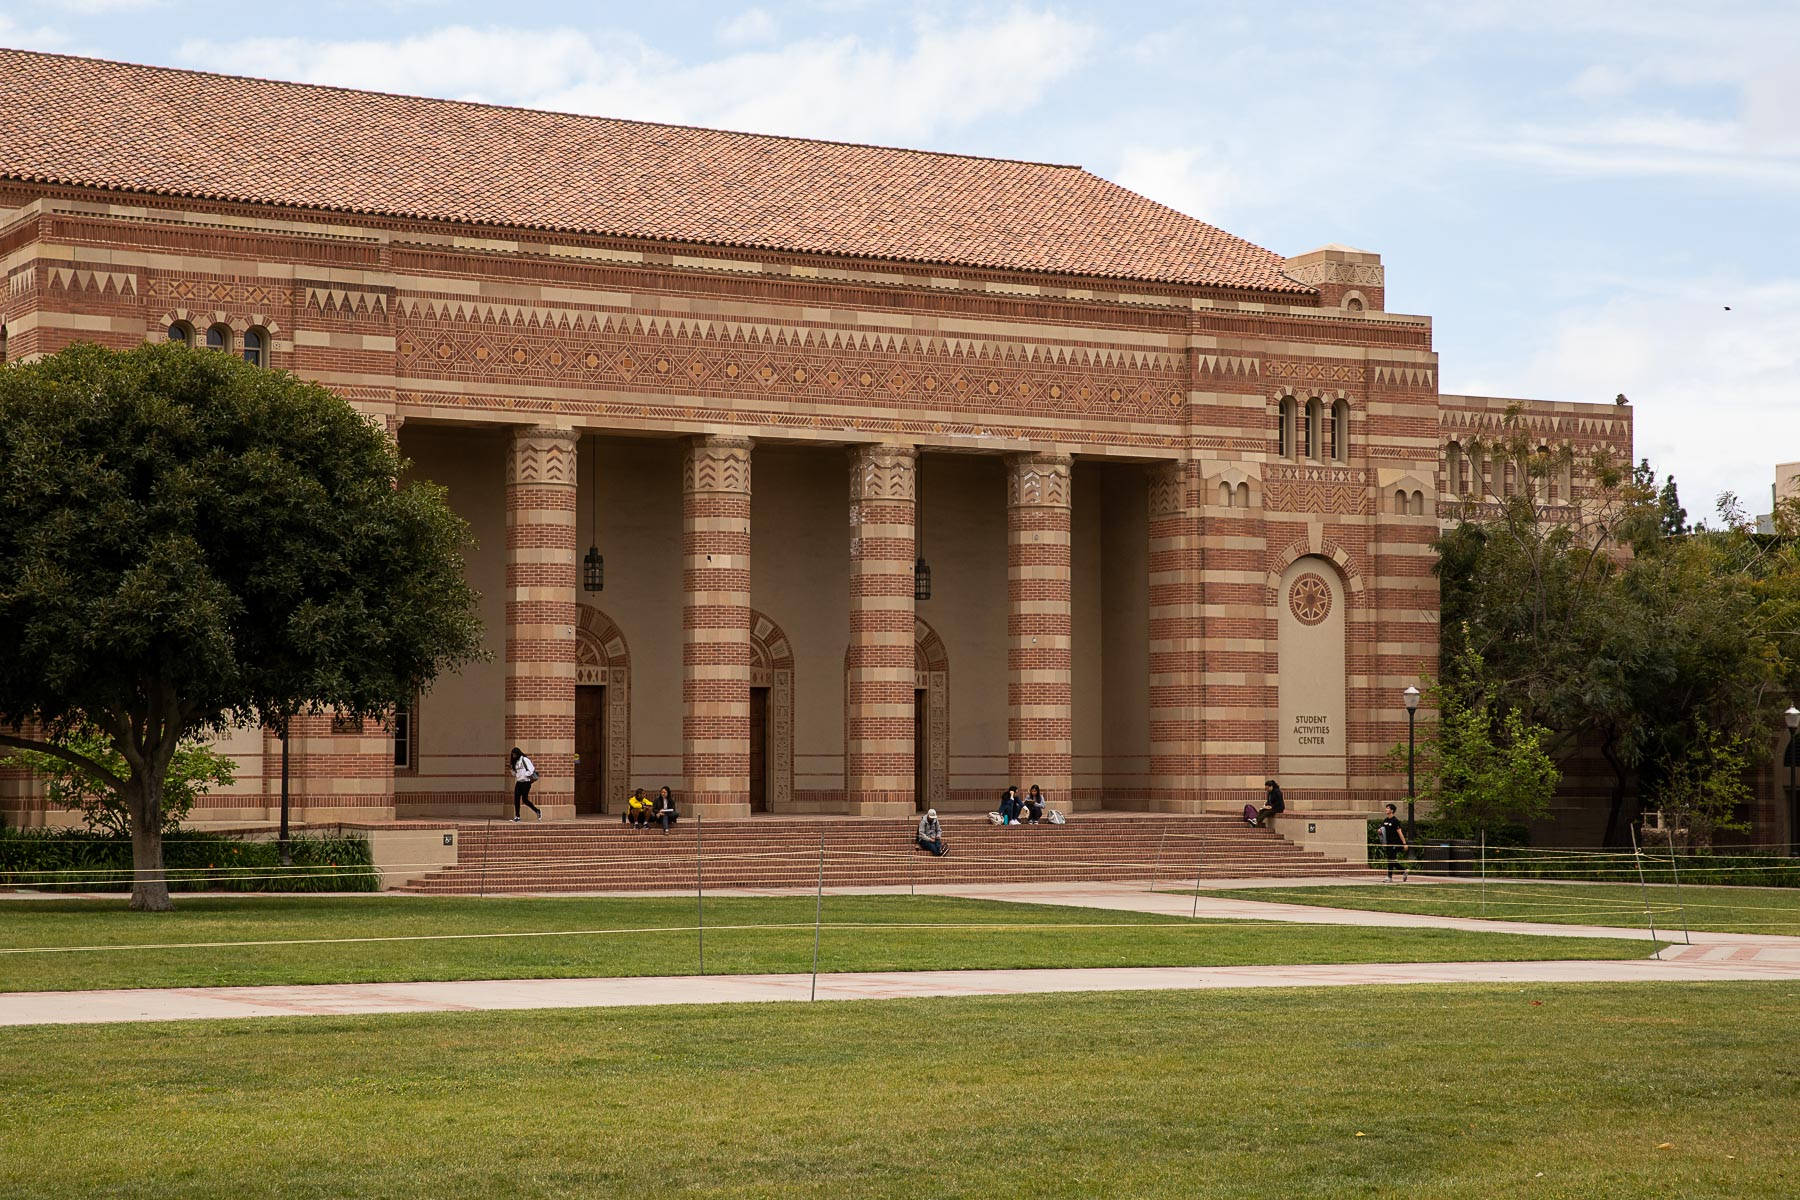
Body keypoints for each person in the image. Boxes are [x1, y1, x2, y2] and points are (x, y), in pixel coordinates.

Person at [508, 747, 542, 822]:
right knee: (516, 799)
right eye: (512, 755)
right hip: (519, 782)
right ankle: (517, 816)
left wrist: (525, 775)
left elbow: (531, 769)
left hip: (526, 782)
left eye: (515, 754)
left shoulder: (524, 759)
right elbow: (515, 773)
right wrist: (512, 770)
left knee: (525, 799)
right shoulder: (515, 762)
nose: (513, 756)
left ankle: (537, 811)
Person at [1377, 803, 1409, 882]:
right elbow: (1382, 829)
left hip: (1394, 843)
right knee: (1391, 860)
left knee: (1391, 860)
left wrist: (1404, 843)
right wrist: (1379, 831)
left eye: (1387, 808)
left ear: (1392, 810)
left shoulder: (1395, 821)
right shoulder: (1385, 820)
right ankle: (1404, 871)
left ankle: (1389, 877)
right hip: (1387, 843)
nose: (1386, 809)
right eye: (1386, 808)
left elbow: (1400, 832)